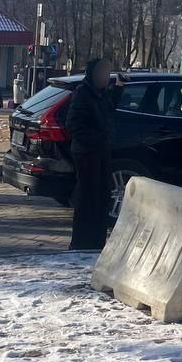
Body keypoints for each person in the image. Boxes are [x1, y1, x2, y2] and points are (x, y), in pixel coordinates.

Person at [65, 58, 126, 251]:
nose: (104, 78)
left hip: (102, 152)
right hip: (86, 153)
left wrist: (118, 89)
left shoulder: (102, 94)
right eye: (101, 74)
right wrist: (97, 138)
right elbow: (73, 125)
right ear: (92, 75)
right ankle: (81, 243)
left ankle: (97, 242)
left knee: (102, 197)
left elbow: (109, 109)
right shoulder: (83, 94)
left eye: (107, 75)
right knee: (87, 199)